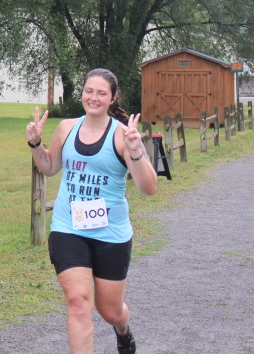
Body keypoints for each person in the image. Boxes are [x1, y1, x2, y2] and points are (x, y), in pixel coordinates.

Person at [26, 68, 157, 354]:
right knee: (78, 303)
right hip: (68, 227)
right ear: (82, 93)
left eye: (101, 93)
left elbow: (149, 188)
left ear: (113, 98)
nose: (93, 98)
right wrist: (35, 143)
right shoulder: (66, 128)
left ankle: (122, 329)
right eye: (89, 91)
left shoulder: (123, 136)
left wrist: (136, 151)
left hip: (110, 233)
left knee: (110, 311)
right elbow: (49, 167)